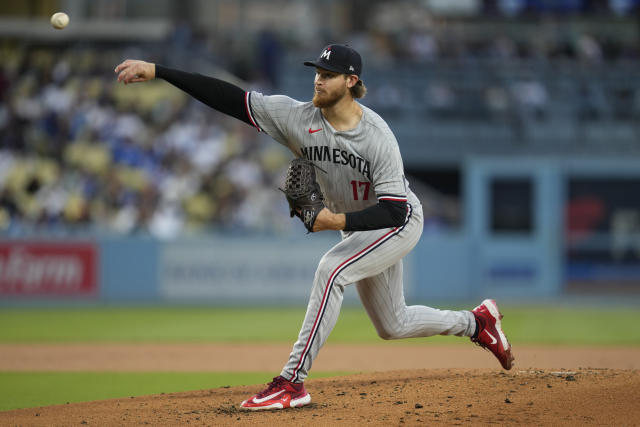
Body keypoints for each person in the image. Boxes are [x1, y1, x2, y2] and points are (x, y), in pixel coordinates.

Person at [115, 43, 514, 411]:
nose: (318, 79)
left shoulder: (376, 136)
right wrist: (160, 70)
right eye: (317, 71)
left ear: (351, 81)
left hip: (399, 221)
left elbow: (394, 211)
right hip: (360, 227)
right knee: (393, 325)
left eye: (328, 73)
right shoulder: (297, 116)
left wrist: (334, 221)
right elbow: (231, 99)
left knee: (331, 270)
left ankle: (291, 382)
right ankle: (477, 322)